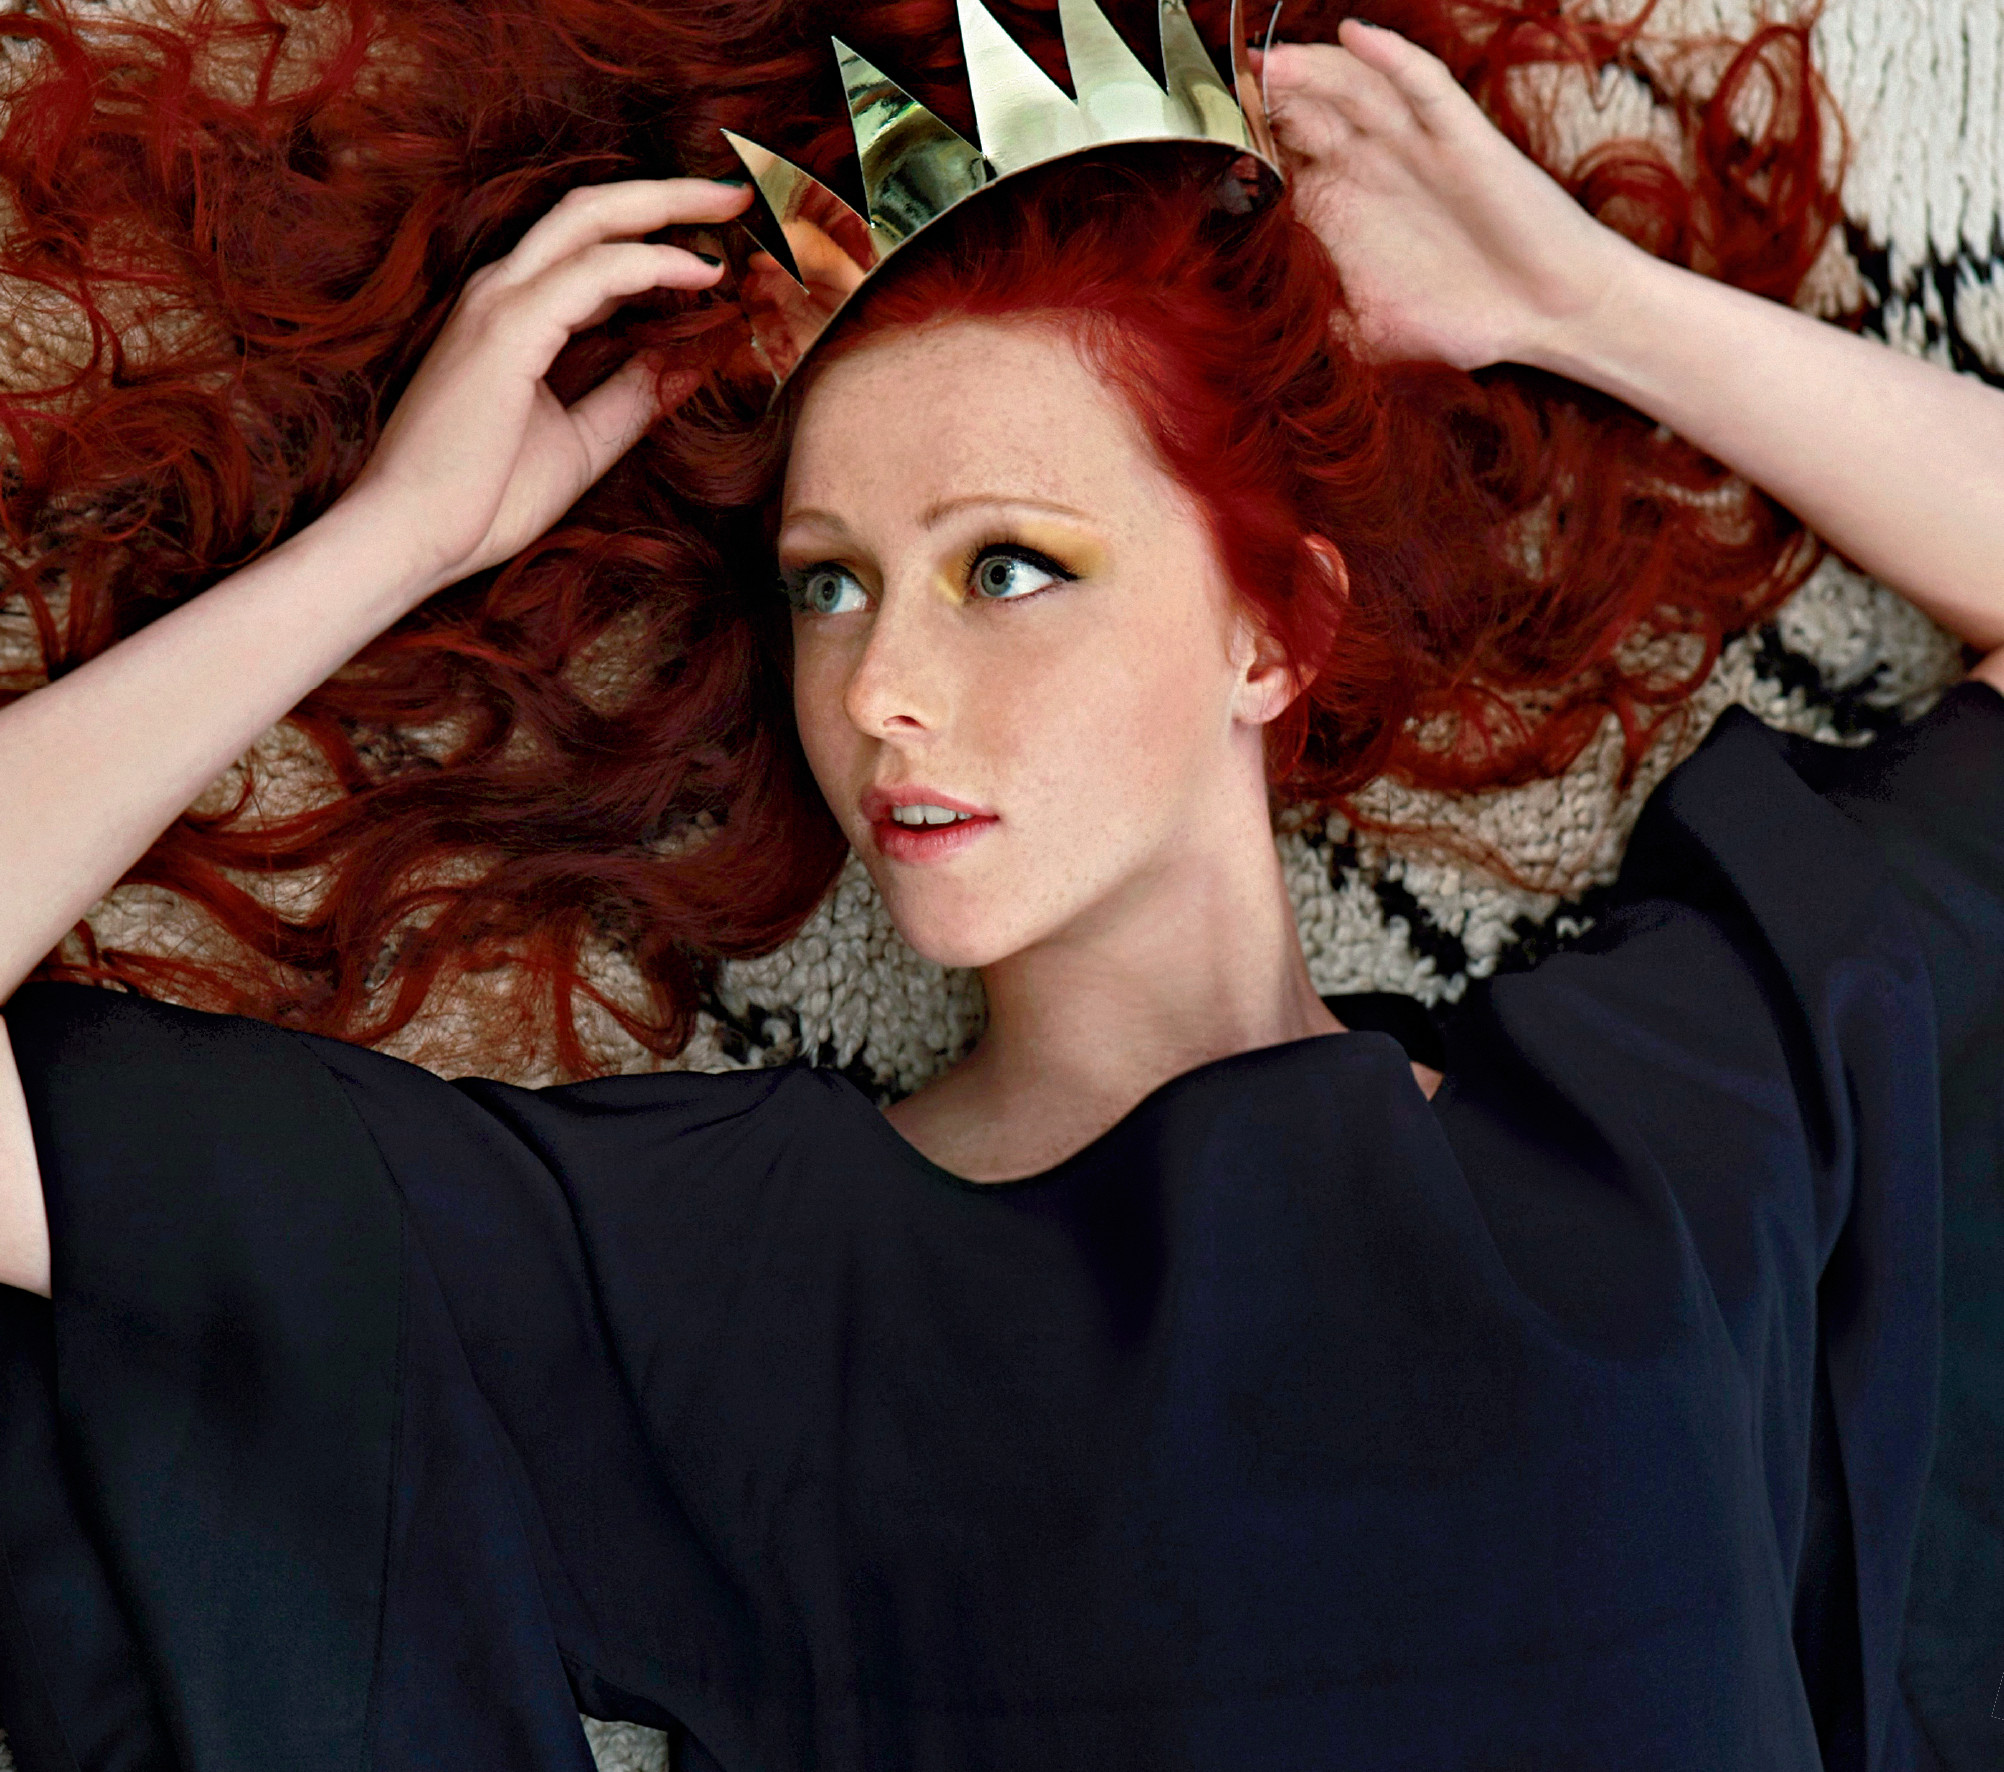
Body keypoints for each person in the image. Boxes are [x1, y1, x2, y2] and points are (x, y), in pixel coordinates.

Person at [0, 5, 1998, 1768]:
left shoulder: (1654, 1134)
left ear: (1274, 631)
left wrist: (1578, 304)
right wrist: (397, 541)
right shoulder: (742, 1295)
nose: (878, 683)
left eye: (1008, 566)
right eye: (828, 585)